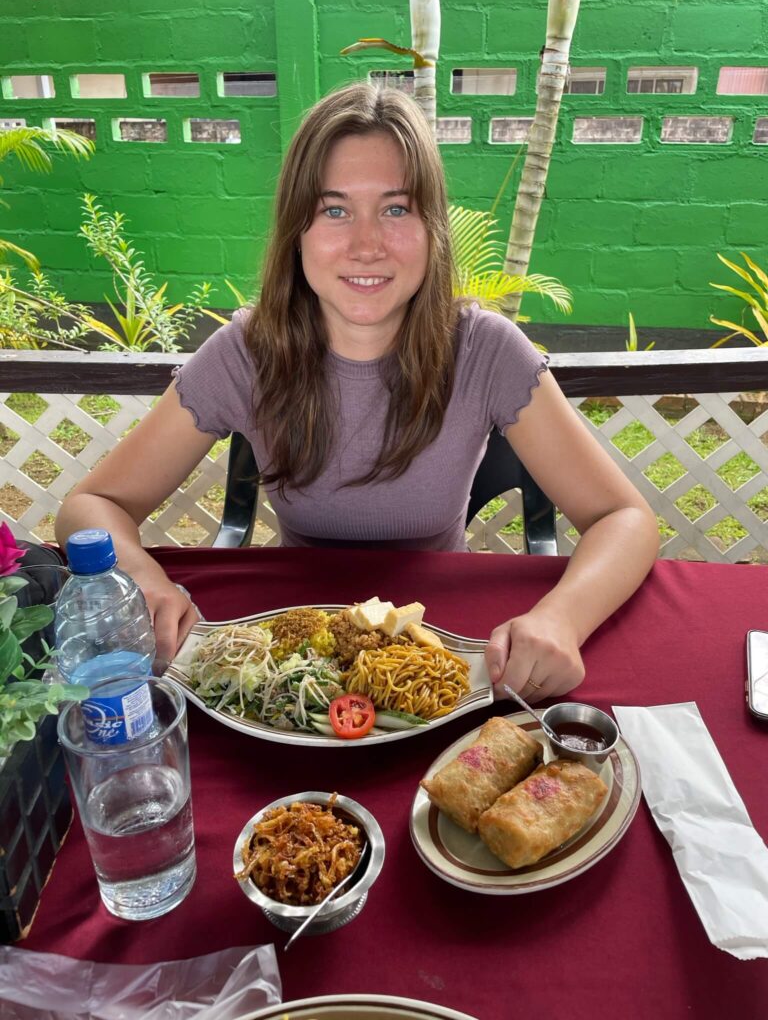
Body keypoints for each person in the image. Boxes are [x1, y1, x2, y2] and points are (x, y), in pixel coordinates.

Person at [55, 82, 659, 702]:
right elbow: (90, 505)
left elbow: (626, 519)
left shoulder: (487, 350)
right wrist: (146, 582)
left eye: (396, 209)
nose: (366, 244)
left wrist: (561, 617)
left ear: (433, 230)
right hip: (292, 656)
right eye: (335, 210)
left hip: (445, 642)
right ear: (297, 231)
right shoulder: (247, 352)